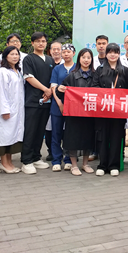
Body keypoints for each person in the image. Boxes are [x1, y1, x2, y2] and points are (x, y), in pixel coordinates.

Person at [93, 43, 128, 176]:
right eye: (110, 52)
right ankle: (102, 165)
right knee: (103, 137)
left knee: (116, 137)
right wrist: (105, 93)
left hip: (118, 110)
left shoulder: (124, 70)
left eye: (115, 52)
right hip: (103, 108)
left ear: (119, 54)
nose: (112, 55)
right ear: (106, 54)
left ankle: (114, 165)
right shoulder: (99, 69)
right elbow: (94, 86)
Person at [57, 48, 96, 176]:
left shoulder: (95, 76)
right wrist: (60, 89)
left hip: (89, 113)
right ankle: (74, 165)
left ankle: (85, 164)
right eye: (83, 57)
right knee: (73, 139)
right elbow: (61, 92)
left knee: (88, 138)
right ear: (79, 59)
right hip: (74, 114)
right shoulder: (72, 75)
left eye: (88, 57)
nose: (86, 60)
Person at [21, 32, 55, 175]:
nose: (41, 43)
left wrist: (49, 92)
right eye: (38, 41)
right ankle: (26, 160)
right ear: (32, 43)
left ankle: (36, 157)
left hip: (47, 101)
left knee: (40, 130)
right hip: (33, 101)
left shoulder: (50, 59)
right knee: (30, 130)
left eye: (43, 41)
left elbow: (53, 78)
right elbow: (29, 77)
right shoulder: (29, 59)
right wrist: (45, 90)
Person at [0, 46, 24, 174]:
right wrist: (4, 110)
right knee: (4, 137)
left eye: (16, 54)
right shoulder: (2, 72)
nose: (15, 57)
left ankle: (9, 162)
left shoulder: (17, 71)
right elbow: (1, 93)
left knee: (12, 137)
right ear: (5, 56)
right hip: (7, 110)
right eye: (12, 54)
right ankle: (4, 163)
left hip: (17, 110)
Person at [49, 44, 75, 172]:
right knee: (56, 133)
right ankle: (56, 160)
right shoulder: (57, 69)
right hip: (57, 106)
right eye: (64, 52)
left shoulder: (77, 68)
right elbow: (53, 86)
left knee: (70, 134)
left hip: (74, 107)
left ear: (73, 54)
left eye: (68, 52)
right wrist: (60, 103)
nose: (66, 54)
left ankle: (69, 159)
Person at [90, 34, 109, 162]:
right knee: (95, 126)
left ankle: (105, 152)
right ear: (96, 45)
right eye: (99, 44)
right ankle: (94, 151)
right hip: (95, 98)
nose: (101, 46)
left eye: (104, 43)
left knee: (107, 127)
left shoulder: (113, 60)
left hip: (110, 100)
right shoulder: (91, 60)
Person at [45, 41, 63, 161]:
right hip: (47, 99)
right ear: (50, 51)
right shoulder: (46, 63)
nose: (56, 51)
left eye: (58, 49)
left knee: (63, 128)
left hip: (61, 101)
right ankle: (51, 151)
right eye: (53, 49)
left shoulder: (66, 65)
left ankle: (66, 152)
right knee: (49, 128)